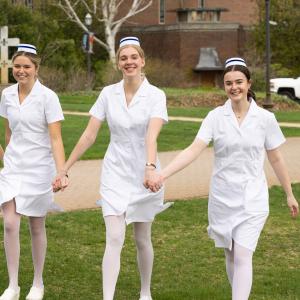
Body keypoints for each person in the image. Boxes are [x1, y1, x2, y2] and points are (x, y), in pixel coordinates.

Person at [146, 57, 299, 300]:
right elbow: (194, 149)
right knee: (230, 253)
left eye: (239, 82)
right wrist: (162, 174)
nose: (234, 87)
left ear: (249, 84)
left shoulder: (265, 119)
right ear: (224, 86)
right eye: (229, 83)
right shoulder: (215, 117)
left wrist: (289, 194)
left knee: (242, 255)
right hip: (222, 198)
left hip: (252, 199)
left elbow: (276, 159)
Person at [53, 36, 171, 300]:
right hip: (114, 173)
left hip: (145, 173)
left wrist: (150, 168)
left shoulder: (156, 95)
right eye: (123, 58)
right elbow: (89, 135)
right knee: (114, 237)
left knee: (142, 238)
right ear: (118, 63)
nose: (129, 62)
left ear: (142, 61)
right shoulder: (108, 93)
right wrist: (64, 169)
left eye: (133, 57)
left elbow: (151, 136)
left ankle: (145, 292)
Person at [0, 44, 66, 300]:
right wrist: (7, 159)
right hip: (14, 168)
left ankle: (37, 284)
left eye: (26, 66)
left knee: (36, 226)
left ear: (36, 69)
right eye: (17, 66)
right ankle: (13, 285)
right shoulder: (6, 95)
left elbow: (56, 138)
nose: (21, 71)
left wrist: (61, 172)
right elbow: (8, 131)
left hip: (40, 169)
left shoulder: (48, 97)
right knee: (9, 224)